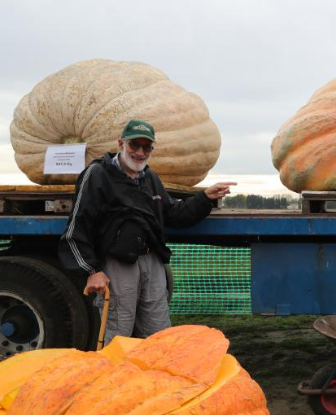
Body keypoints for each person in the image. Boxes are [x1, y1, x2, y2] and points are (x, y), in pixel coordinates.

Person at [59, 119, 236, 345]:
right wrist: (92, 269)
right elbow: (77, 226)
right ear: (121, 143)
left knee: (158, 334)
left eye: (147, 147)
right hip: (117, 265)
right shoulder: (97, 174)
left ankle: (155, 380)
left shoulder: (150, 178)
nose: (140, 153)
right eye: (135, 145)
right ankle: (116, 380)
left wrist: (204, 198)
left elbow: (173, 214)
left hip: (151, 262)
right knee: (118, 334)